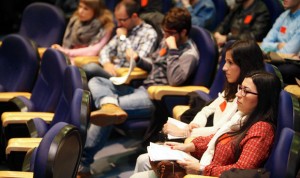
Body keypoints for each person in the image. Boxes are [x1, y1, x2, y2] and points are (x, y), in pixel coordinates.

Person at [77, 7, 199, 177]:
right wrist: (138, 59)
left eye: (169, 33)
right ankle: (109, 104)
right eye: (164, 32)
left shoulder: (189, 54)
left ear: (183, 32)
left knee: (109, 111)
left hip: (154, 97)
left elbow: (174, 80)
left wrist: (173, 50)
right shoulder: (167, 41)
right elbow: (154, 65)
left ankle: (83, 164)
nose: (165, 37)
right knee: (97, 80)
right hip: (141, 87)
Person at [133, 40, 266, 173]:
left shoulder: (253, 118)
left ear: (245, 65)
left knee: (144, 161)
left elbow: (236, 165)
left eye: (230, 63)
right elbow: (208, 112)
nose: (224, 68)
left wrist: (185, 133)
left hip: (208, 164)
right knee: (143, 159)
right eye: (225, 61)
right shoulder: (234, 90)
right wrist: (193, 127)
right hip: (205, 153)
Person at [131, 71, 281, 177]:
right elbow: (217, 137)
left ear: (263, 98)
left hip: (208, 173)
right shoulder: (243, 116)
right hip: (206, 165)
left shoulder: (261, 129)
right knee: (144, 159)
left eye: (245, 91)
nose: (238, 94)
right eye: (240, 88)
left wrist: (201, 169)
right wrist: (188, 146)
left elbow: (241, 171)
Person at [81, 0, 158, 79]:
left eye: (122, 20)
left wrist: (123, 39)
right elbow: (105, 50)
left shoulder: (149, 34)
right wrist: (106, 63)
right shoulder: (124, 29)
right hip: (114, 73)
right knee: (89, 77)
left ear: (134, 16)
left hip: (127, 78)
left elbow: (134, 61)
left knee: (90, 69)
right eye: (117, 20)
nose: (119, 24)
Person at [260, 0, 300, 85]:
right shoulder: (284, 15)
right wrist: (278, 45)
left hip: (292, 64)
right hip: (277, 59)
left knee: (279, 70)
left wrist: (271, 50)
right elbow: (264, 44)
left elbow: (288, 52)